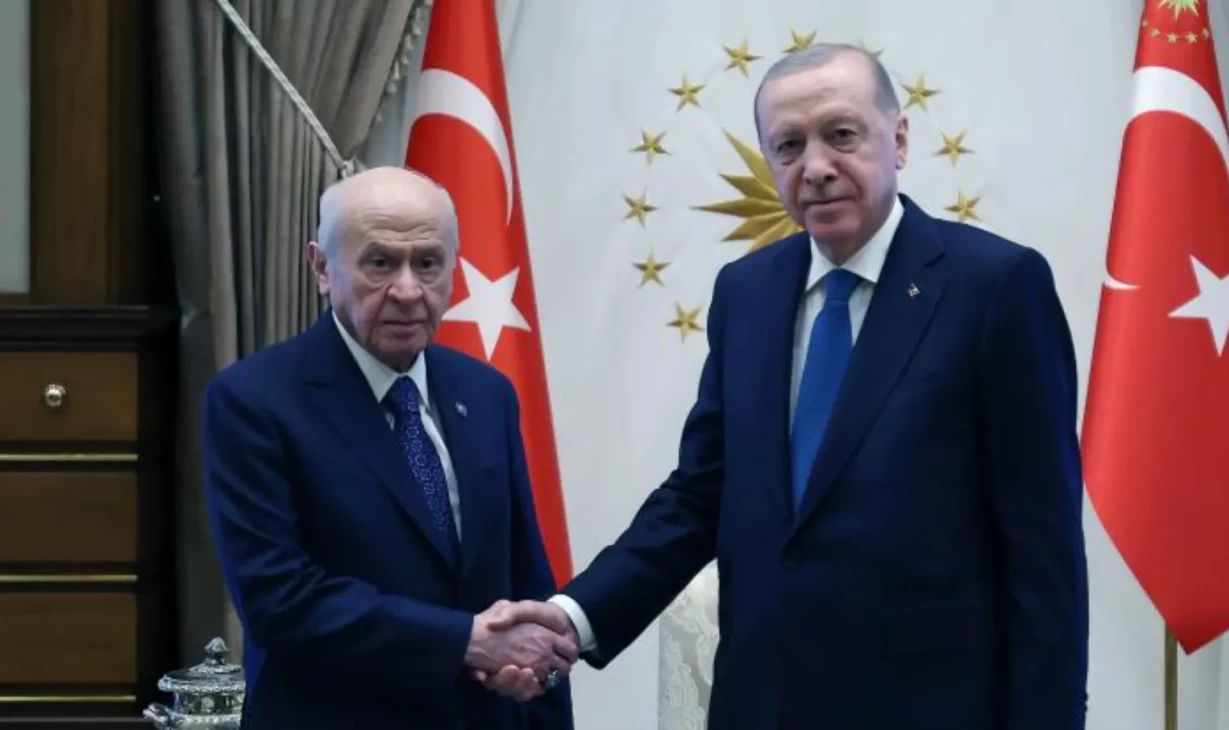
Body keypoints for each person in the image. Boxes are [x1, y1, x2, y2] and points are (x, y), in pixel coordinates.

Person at [485, 43, 1089, 729]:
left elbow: (1043, 547)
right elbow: (701, 495)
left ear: (897, 140)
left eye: (841, 135)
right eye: (790, 146)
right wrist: (574, 616)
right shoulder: (746, 292)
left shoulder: (994, 286)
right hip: (762, 705)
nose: (817, 167)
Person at [202, 166, 575, 730]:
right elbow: (279, 598)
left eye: (427, 263)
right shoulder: (253, 400)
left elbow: (526, 582)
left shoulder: (486, 393)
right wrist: (465, 642)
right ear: (321, 268)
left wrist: (538, 679)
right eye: (380, 263)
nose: (407, 290)